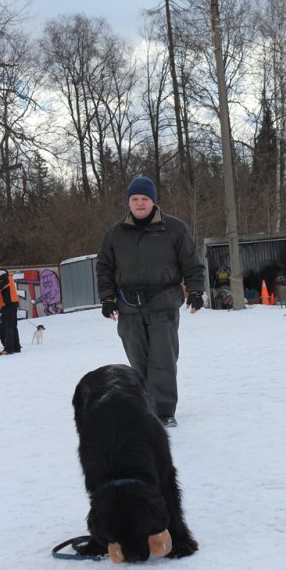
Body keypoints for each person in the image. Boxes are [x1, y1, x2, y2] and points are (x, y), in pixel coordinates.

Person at [96, 176, 205, 427]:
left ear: (153, 201)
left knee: (163, 358)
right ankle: (145, 405)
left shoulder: (174, 229)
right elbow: (104, 269)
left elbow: (191, 263)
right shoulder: (115, 234)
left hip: (163, 303)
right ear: (129, 202)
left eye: (144, 198)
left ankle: (164, 410)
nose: (139, 203)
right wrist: (108, 299)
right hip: (128, 306)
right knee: (138, 360)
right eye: (135, 199)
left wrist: (196, 292)